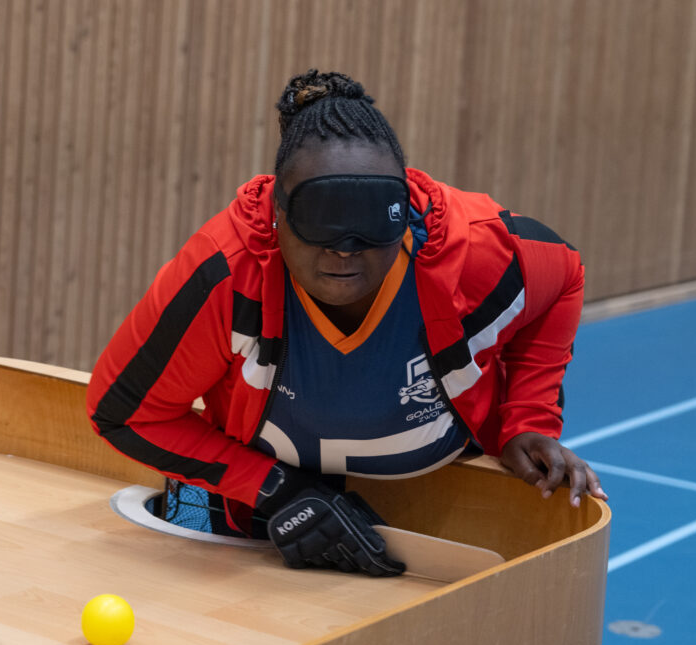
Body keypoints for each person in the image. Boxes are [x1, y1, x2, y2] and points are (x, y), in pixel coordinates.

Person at [87, 69, 607, 577]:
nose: (343, 248)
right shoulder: (226, 273)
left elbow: (564, 276)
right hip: (251, 512)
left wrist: (530, 419)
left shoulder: (474, 251)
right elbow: (124, 412)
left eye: (368, 226)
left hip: (436, 516)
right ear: (276, 212)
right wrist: (275, 490)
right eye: (319, 223)